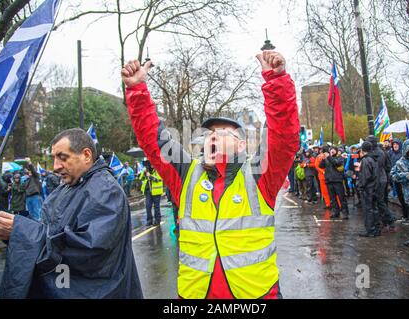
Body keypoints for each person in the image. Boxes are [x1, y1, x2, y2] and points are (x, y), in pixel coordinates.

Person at [122, 50, 300, 299]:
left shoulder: (259, 175)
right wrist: (137, 89)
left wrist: (276, 81)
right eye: (208, 134)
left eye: (224, 131)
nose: (213, 135)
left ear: (241, 145)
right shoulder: (186, 174)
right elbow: (153, 139)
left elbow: (284, 135)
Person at [0, 128, 142, 298]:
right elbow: (49, 229)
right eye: (54, 158)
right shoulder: (69, 187)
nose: (55, 166)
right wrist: (14, 231)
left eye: (63, 157)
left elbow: (88, 250)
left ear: (86, 155)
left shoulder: (105, 190)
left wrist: (25, 233)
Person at [366, 135, 394, 234]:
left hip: (379, 179)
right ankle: (385, 221)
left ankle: (389, 220)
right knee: (379, 201)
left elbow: (379, 168)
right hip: (380, 178)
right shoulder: (376, 151)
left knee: (380, 202)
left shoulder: (379, 152)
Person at [319, 146, 349, 219]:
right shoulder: (327, 159)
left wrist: (329, 157)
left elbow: (336, 163)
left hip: (337, 181)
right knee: (332, 198)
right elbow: (321, 166)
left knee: (341, 197)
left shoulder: (340, 158)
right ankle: (336, 211)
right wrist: (323, 159)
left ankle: (345, 212)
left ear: (336, 151)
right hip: (329, 181)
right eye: (330, 150)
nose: (332, 151)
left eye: (333, 150)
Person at [357, 141, 379, 237]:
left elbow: (365, 176)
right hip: (374, 187)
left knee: (368, 209)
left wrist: (360, 186)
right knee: (374, 208)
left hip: (368, 188)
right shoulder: (374, 158)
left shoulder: (366, 160)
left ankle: (370, 230)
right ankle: (376, 228)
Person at [139, 160, 164, 226]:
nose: (151, 165)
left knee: (156, 207)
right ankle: (149, 220)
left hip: (156, 192)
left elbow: (159, 179)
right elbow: (141, 178)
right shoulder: (146, 169)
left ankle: (157, 220)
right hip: (148, 191)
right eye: (150, 164)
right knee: (148, 206)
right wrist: (144, 173)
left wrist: (150, 176)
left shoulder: (158, 169)